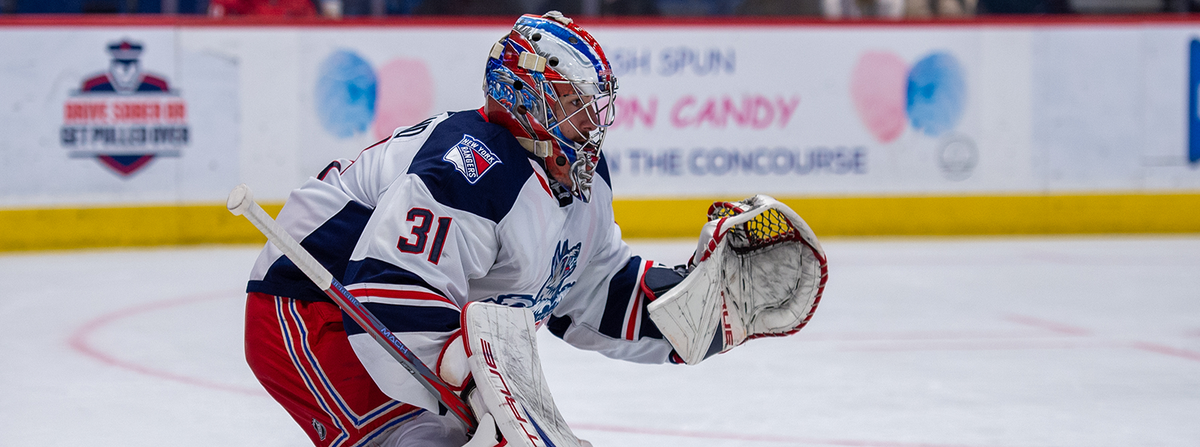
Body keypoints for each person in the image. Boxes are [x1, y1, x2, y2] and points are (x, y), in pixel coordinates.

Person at [242, 11, 689, 447]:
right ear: (526, 99)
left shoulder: (578, 177)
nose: (592, 124)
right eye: (575, 105)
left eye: (593, 107)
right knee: (432, 438)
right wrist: (481, 383)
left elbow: (594, 288)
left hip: (394, 316)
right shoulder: (469, 167)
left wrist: (692, 309)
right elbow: (391, 289)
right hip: (311, 309)